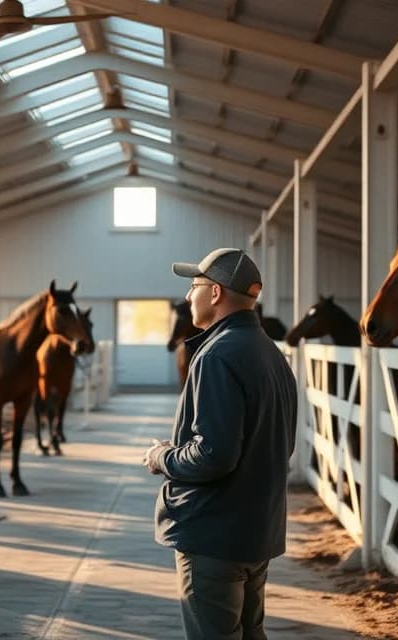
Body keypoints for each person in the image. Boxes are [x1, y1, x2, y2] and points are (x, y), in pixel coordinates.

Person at [143, 247, 298, 640]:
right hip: (256, 532)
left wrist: (163, 457)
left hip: (214, 534)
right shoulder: (272, 354)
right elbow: (283, 443)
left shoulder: (217, 355)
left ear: (215, 293)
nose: (187, 297)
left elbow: (213, 455)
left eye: (194, 286)